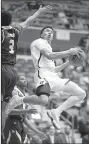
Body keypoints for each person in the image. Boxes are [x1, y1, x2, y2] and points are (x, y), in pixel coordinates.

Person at [1, 5, 52, 132]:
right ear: (10, 21)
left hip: (2, 69)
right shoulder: (15, 30)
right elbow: (28, 21)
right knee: (3, 110)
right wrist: (39, 12)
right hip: (12, 71)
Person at [30, 26, 86, 127]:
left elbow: (54, 70)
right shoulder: (38, 42)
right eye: (47, 31)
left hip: (53, 77)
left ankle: (56, 111)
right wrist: (69, 52)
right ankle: (20, 99)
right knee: (43, 101)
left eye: (51, 32)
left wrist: (68, 62)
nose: (50, 33)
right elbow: (49, 55)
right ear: (41, 34)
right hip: (42, 75)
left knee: (81, 94)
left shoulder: (49, 47)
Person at [3, 75, 47, 144]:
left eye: (25, 79)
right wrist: (26, 111)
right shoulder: (14, 92)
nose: (25, 80)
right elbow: (8, 111)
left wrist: (37, 132)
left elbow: (25, 119)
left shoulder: (24, 96)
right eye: (22, 79)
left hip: (21, 125)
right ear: (16, 82)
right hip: (11, 123)